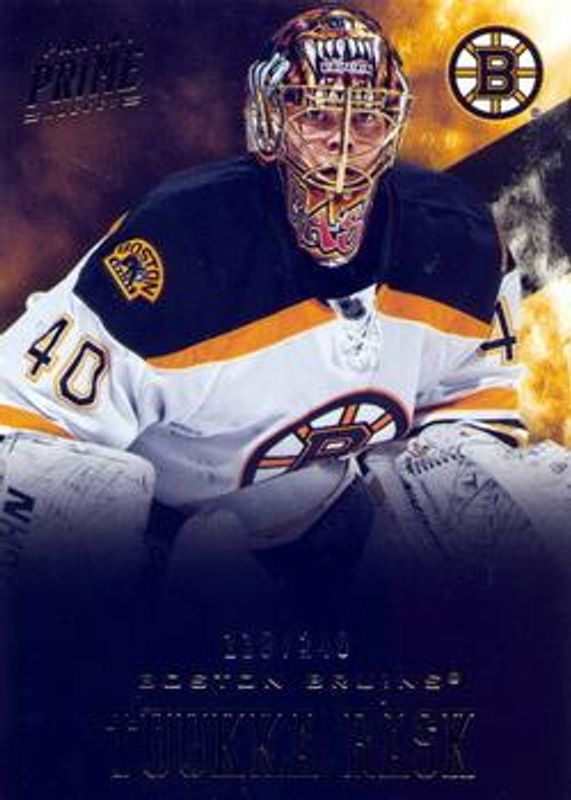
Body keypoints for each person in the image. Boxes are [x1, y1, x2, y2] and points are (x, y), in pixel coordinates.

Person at [0, 5, 563, 592]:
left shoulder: (462, 241)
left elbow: (471, 406)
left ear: (393, 127)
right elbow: (25, 417)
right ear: (270, 120)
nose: (342, 146)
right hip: (154, 518)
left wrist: (460, 469)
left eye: (366, 120)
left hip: (318, 512)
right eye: (317, 115)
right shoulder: (177, 244)